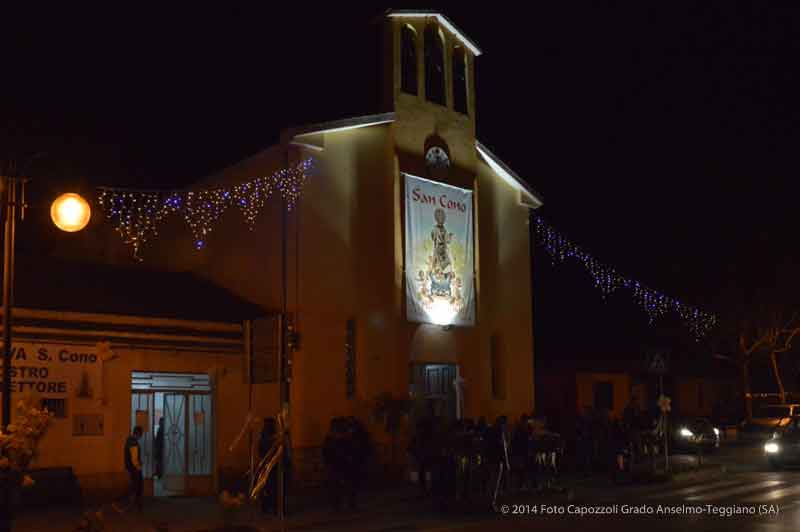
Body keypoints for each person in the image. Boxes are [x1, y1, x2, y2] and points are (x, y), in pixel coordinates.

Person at [113, 426, 143, 513]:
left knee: (135, 488)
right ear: (137, 433)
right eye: (140, 435)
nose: (141, 437)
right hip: (135, 469)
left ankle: (137, 506)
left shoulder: (129, 441)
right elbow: (134, 459)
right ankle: (118, 502)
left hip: (131, 468)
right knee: (134, 488)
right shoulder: (133, 443)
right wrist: (138, 466)